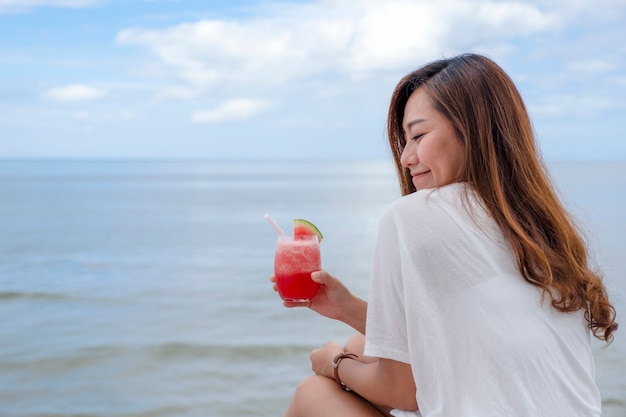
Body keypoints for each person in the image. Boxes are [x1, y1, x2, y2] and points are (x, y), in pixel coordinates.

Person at [271, 53, 618, 417]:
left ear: (474, 130)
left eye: (418, 135)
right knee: (363, 342)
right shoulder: (540, 226)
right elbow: (461, 339)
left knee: (314, 392)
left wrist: (333, 363)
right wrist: (346, 307)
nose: (405, 157)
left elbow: (402, 392)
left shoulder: (413, 216)